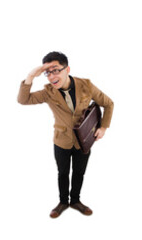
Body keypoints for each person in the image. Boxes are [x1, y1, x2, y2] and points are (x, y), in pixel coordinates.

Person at [17, 51, 114, 218]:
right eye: (48, 72)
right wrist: (31, 76)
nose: (52, 76)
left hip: (84, 140)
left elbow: (108, 103)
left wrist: (103, 127)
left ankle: (75, 200)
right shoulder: (48, 91)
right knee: (62, 173)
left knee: (79, 172)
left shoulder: (86, 85)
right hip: (61, 140)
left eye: (56, 70)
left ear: (67, 69)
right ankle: (63, 202)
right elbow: (23, 100)